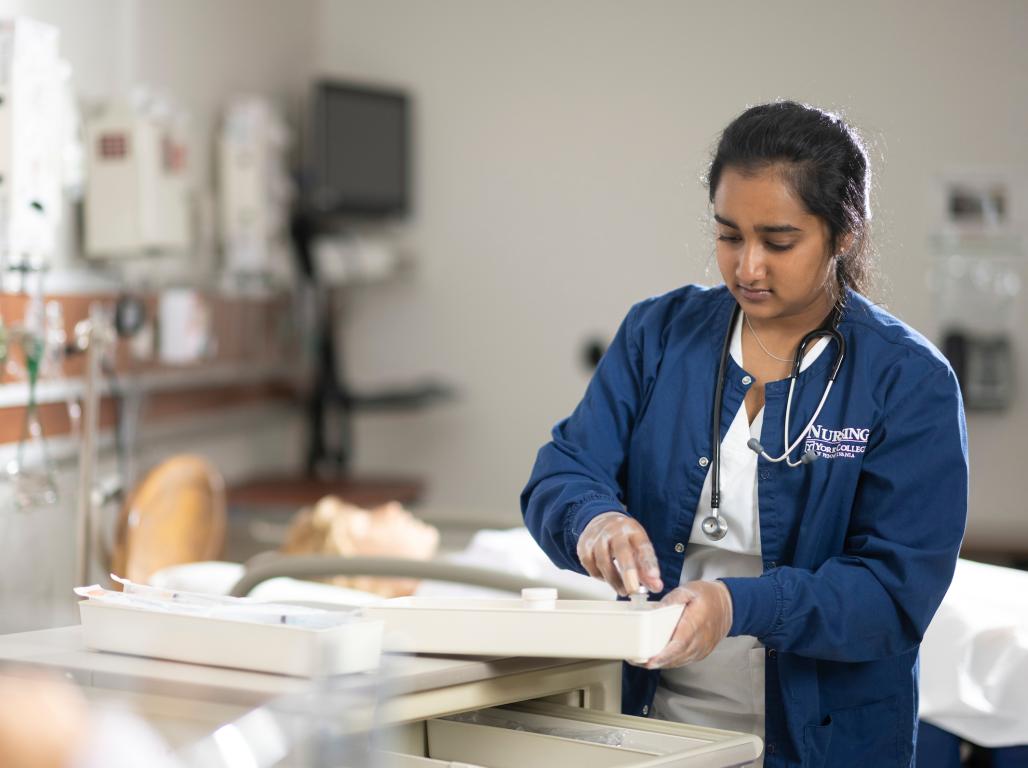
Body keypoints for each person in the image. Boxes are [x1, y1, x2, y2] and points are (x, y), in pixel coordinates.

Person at [521, 101, 968, 767]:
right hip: (659, 733)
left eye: (778, 242)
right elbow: (563, 469)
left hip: (825, 746)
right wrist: (595, 522)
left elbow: (891, 593)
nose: (747, 267)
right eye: (730, 236)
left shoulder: (907, 381)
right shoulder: (660, 335)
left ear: (843, 235)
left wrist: (735, 606)